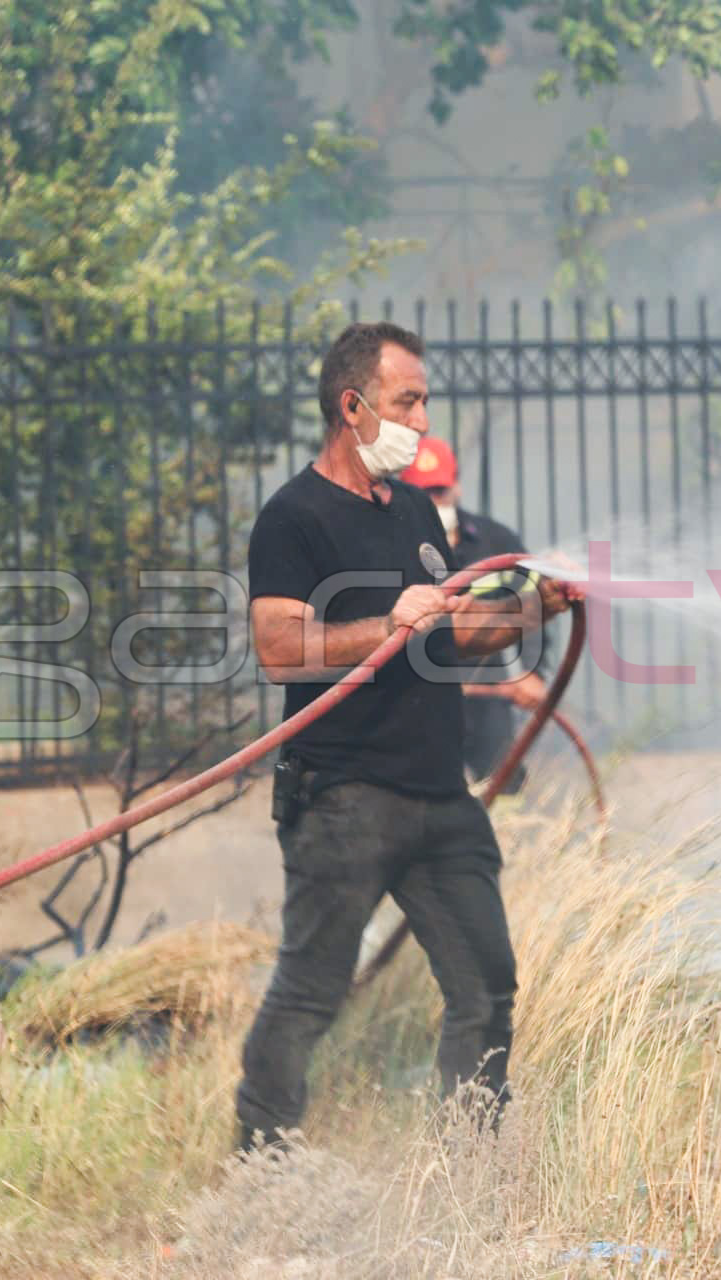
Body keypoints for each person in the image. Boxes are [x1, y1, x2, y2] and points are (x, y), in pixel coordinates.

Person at [237, 320, 579, 1148]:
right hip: (343, 796)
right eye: (407, 401)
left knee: (487, 986)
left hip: (437, 796)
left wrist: (529, 612)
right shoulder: (293, 518)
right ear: (352, 407)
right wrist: (381, 622)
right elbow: (279, 648)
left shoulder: (415, 509)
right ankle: (259, 1167)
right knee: (314, 991)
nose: (422, 420)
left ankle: (467, 1170)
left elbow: (450, 631)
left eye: (424, 401)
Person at [397, 437, 549, 789]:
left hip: (488, 694)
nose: (435, 501)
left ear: (457, 486)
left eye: (440, 490)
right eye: (424, 492)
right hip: (420, 700)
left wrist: (530, 671)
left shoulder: (494, 542)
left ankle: (509, 837)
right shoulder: (395, 547)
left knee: (503, 788)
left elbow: (534, 605)